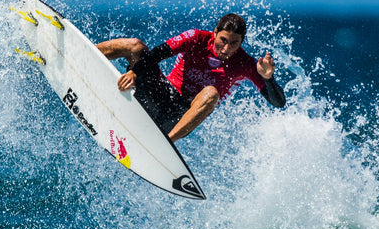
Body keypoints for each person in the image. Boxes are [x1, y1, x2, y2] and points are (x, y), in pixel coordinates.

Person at [96, 13, 286, 142]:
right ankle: (75, 51)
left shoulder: (246, 63)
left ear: (241, 42)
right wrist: (134, 72)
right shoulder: (196, 38)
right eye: (223, 40)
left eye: (234, 43)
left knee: (212, 93)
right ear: (215, 33)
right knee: (134, 46)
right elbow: (159, 53)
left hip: (180, 116)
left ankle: (167, 144)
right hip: (160, 93)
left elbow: (278, 102)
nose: (226, 49)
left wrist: (268, 78)